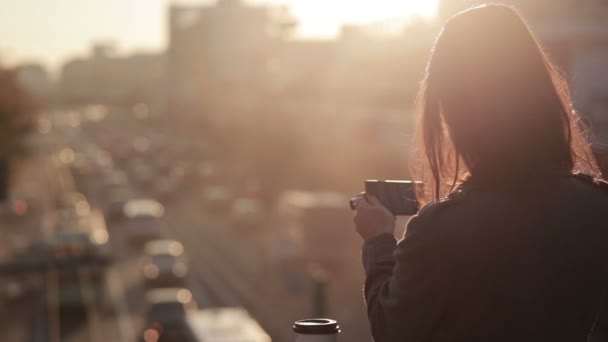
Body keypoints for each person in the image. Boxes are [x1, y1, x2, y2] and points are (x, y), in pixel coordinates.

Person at [351, 4, 608, 342]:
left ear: (456, 114)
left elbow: (391, 328)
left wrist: (379, 241)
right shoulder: (595, 206)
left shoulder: (441, 229)